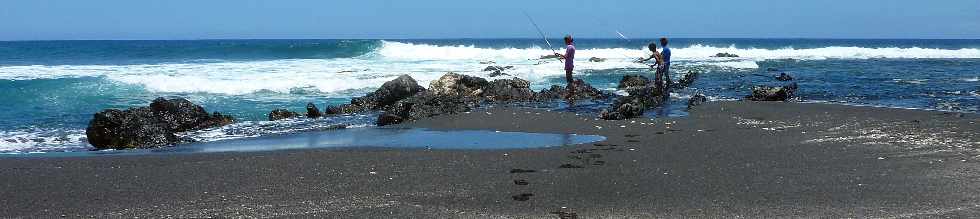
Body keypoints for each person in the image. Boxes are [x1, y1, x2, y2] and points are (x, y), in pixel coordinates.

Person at [555, 35, 576, 101]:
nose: (565, 42)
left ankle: (571, 93)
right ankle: (571, 92)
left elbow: (565, 56)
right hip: (570, 64)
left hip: (568, 65)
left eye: (565, 41)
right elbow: (567, 56)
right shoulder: (572, 47)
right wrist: (560, 56)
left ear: (567, 40)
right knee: (570, 79)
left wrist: (559, 55)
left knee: (569, 79)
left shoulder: (569, 47)